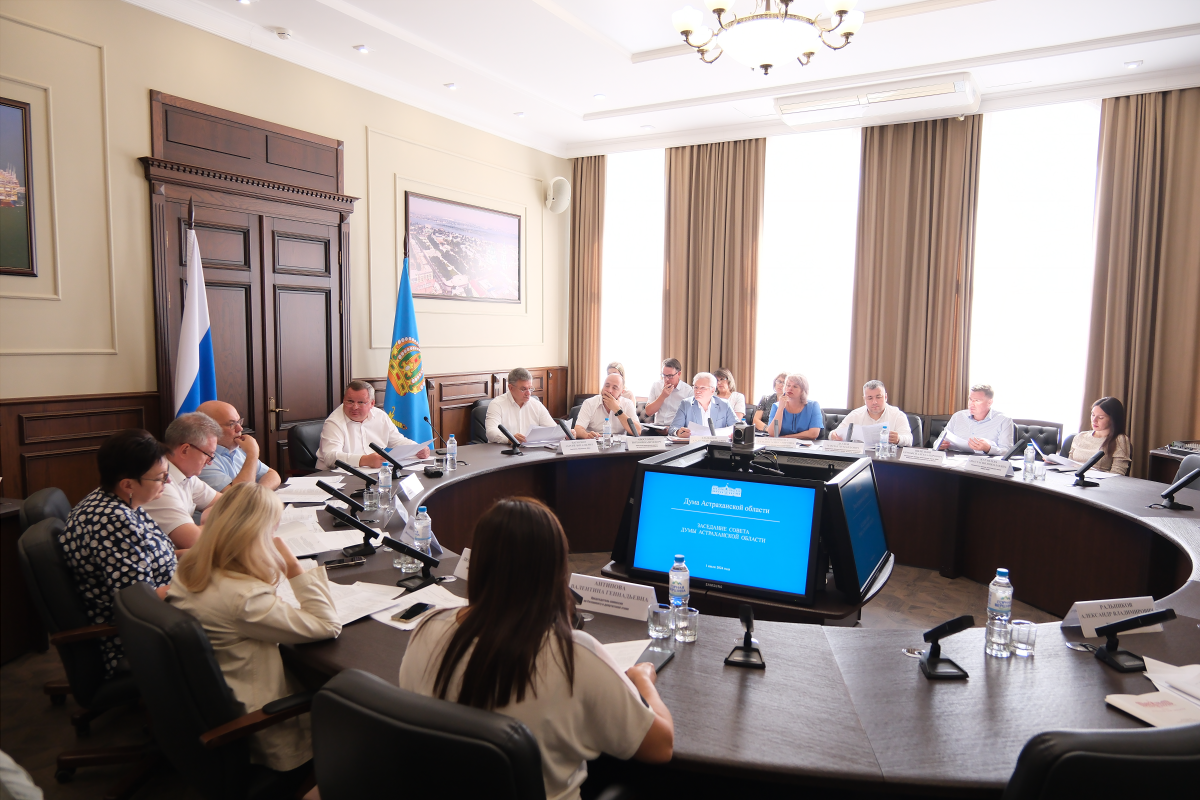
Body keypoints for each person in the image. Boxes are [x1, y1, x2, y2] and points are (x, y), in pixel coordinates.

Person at [398, 498, 673, 800]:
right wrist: (643, 679)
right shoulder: (573, 655)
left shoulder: (427, 629)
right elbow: (661, 746)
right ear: (556, 572)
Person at [168, 483, 341, 773]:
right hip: (261, 721)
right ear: (257, 535)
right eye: (273, 529)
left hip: (221, 695)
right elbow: (327, 624)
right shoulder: (244, 598)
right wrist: (294, 568)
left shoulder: (190, 569)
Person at [58, 429, 177, 678]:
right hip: (135, 638)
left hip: (161, 616)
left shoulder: (119, 501)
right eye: (161, 478)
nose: (168, 483)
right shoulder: (113, 521)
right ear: (128, 484)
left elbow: (154, 557)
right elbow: (139, 602)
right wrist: (198, 584)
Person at [142, 413, 223, 550]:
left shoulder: (187, 476)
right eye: (208, 455)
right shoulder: (159, 484)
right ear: (185, 450)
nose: (210, 462)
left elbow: (229, 502)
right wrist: (220, 522)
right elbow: (194, 541)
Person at [316, 380, 430, 470]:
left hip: (370, 472)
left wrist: (417, 448)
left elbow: (397, 440)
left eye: (360, 402)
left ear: (372, 403)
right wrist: (364, 460)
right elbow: (330, 457)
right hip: (334, 476)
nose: (354, 407)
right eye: (350, 401)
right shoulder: (334, 422)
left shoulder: (380, 416)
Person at [196, 400, 281, 492]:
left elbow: (272, 475)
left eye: (239, 422)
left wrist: (259, 492)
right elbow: (239, 495)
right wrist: (252, 454)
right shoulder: (203, 460)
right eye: (232, 424)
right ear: (208, 429)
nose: (240, 428)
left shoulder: (238, 450)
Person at [829, 380, 913, 446]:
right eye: (870, 398)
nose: (874, 402)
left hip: (887, 458)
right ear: (864, 399)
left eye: (878, 397)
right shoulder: (855, 415)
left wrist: (898, 439)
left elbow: (909, 440)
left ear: (885, 397)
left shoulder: (897, 415)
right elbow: (834, 433)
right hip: (861, 459)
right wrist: (833, 435)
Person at [485, 367, 557, 444]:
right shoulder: (497, 404)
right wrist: (509, 439)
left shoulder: (536, 405)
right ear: (511, 388)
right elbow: (491, 432)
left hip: (531, 449)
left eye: (530, 388)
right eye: (523, 389)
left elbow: (552, 429)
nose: (528, 393)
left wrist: (563, 434)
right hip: (504, 449)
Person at [938, 384, 1013, 455]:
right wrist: (940, 445)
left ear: (989, 402)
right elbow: (939, 441)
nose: (971, 404)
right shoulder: (958, 416)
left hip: (983, 462)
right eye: (970, 399)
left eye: (977, 400)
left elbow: (1007, 451)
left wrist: (988, 448)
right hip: (954, 460)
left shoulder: (1004, 420)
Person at [1068, 397, 1132, 475]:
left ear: (1113, 419)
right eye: (1093, 415)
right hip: (1070, 478)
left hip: (1098, 481)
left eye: (1100, 417)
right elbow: (1068, 464)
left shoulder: (1119, 440)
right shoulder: (1080, 436)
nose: (1094, 420)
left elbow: (1118, 473)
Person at [668, 372, 738, 437]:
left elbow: (737, 427)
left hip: (717, 444)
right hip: (694, 444)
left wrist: (734, 434)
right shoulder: (686, 404)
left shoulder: (724, 405)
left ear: (712, 390)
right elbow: (673, 428)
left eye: (703, 388)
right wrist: (678, 432)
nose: (698, 391)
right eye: (696, 387)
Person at [575, 373, 640, 439]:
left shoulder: (627, 404)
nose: (609, 390)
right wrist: (587, 435)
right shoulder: (589, 403)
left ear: (622, 392)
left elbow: (637, 431)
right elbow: (577, 429)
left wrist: (617, 409)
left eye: (615, 388)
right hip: (596, 442)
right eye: (607, 386)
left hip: (619, 444)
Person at [767, 374, 824, 440]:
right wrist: (780, 408)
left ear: (803, 390)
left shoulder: (813, 406)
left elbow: (813, 434)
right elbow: (773, 433)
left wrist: (786, 437)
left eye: (795, 386)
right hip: (782, 446)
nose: (790, 388)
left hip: (805, 446)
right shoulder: (776, 406)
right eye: (788, 385)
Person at [644, 358, 693, 426]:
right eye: (664, 375)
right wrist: (662, 396)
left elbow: (690, 417)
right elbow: (648, 412)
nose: (666, 379)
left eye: (670, 376)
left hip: (676, 429)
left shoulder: (688, 391)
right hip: (657, 427)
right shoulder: (656, 385)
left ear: (679, 374)